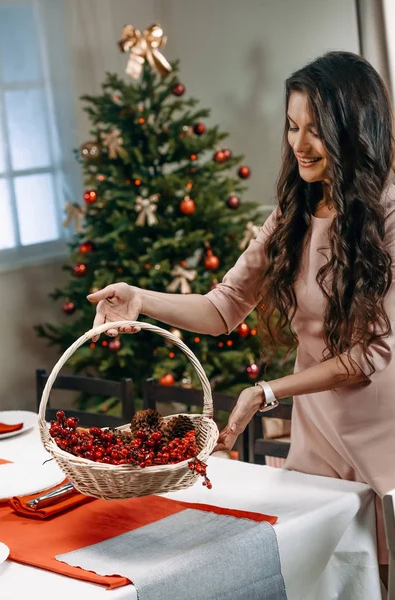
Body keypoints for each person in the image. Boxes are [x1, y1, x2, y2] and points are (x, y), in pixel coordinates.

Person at [87, 51, 395, 582]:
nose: (299, 144)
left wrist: (270, 390)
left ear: (354, 129)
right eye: (292, 126)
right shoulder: (294, 211)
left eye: (316, 130)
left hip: (384, 434)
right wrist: (141, 298)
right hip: (317, 435)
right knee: (323, 578)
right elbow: (223, 306)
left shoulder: (389, 213)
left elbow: (371, 356)